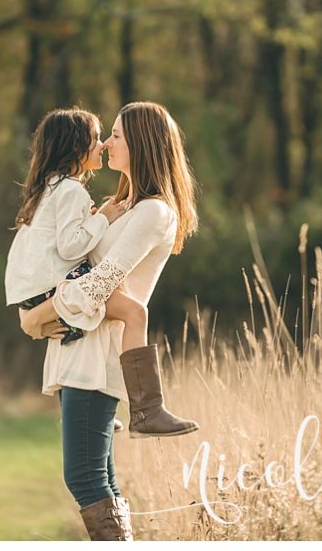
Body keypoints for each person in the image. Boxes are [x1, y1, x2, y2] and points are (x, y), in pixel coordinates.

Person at [21, 102, 201, 542]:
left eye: (116, 135)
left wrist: (39, 316)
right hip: (78, 348)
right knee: (100, 480)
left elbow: (102, 282)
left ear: (141, 143)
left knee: (84, 479)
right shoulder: (123, 206)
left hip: (99, 358)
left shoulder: (155, 212)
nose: (104, 143)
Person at [5, 107, 140, 350]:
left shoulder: (52, 187)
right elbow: (69, 248)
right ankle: (78, 329)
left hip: (30, 294)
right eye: (96, 138)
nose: (103, 145)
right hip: (47, 288)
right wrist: (104, 219)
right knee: (102, 282)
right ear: (76, 147)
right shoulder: (71, 190)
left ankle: (65, 326)